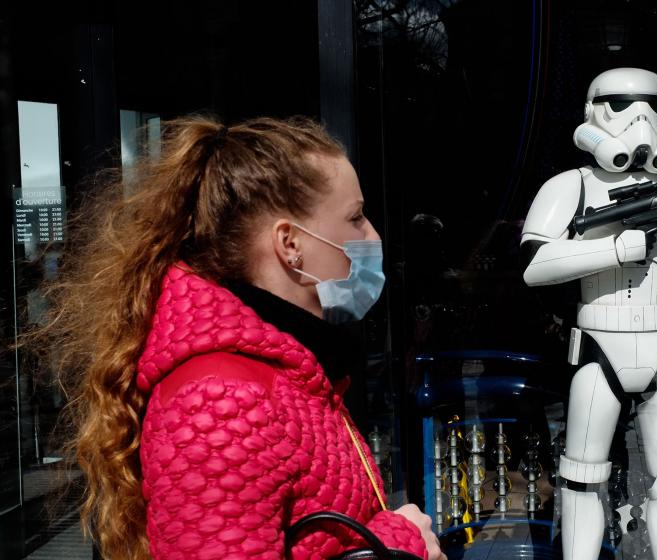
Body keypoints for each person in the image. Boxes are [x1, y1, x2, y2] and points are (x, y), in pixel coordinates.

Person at [32, 116, 444, 560]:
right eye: (356, 217)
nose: (373, 236)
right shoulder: (218, 400)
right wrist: (401, 543)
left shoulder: (288, 369)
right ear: (290, 243)